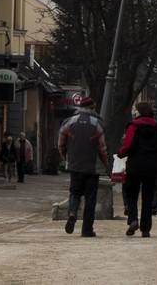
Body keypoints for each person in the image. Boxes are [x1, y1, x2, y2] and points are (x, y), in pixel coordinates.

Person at [58, 95, 108, 237]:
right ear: (93, 108)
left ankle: (72, 212)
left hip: (75, 165)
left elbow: (61, 144)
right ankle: (87, 229)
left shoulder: (68, 122)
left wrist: (67, 158)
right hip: (93, 167)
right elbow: (103, 148)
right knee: (90, 198)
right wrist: (106, 165)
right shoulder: (99, 124)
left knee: (75, 192)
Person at [119, 101, 157, 238]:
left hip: (135, 165)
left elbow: (127, 145)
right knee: (147, 197)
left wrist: (121, 153)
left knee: (131, 194)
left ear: (140, 112)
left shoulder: (133, 126)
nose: (135, 112)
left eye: (136, 110)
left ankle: (133, 220)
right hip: (151, 166)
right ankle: (146, 229)